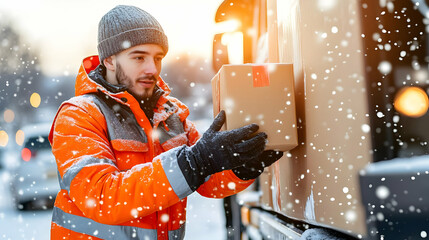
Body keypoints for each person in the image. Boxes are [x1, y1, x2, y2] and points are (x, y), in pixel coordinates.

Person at [49, 5, 283, 240]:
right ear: (109, 60)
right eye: (139, 57)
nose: (152, 69)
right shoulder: (79, 115)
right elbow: (101, 198)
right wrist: (195, 162)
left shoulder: (171, 114)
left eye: (158, 58)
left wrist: (242, 167)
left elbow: (208, 181)